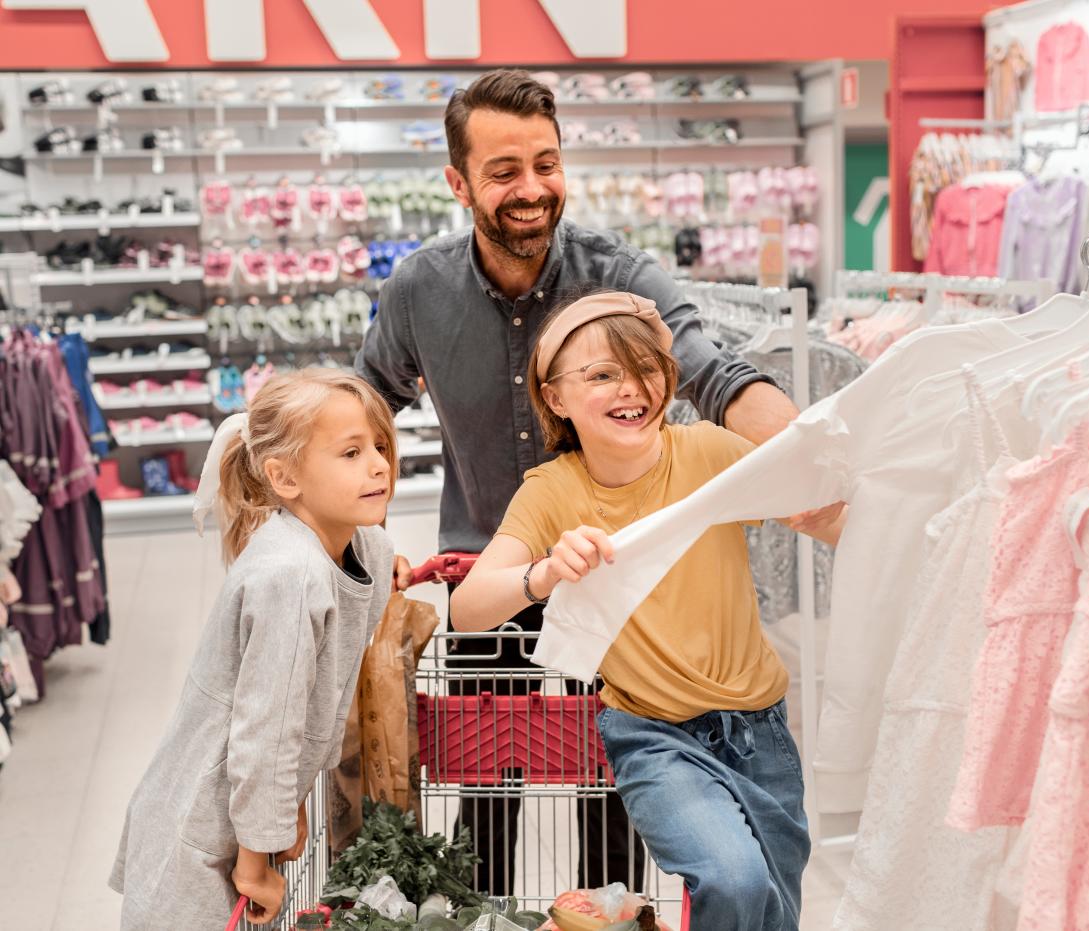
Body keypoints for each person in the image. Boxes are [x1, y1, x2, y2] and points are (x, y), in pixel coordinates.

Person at [357, 67, 840, 896]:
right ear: (457, 181)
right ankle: (486, 912)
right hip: (493, 566)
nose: (532, 188)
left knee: (612, 793)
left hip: (618, 572)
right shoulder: (418, 291)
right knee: (486, 790)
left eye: (546, 163)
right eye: (504, 170)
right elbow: (366, 407)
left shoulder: (616, 276)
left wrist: (818, 458)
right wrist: (357, 542)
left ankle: (610, 915)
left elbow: (710, 374)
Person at [451, 291, 832, 931]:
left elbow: (824, 513)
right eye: (602, 375)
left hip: (760, 728)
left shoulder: (708, 453)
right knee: (733, 879)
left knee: (775, 904)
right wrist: (542, 572)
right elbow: (468, 609)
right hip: (654, 736)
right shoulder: (553, 492)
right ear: (554, 398)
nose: (632, 388)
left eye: (646, 368)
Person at [109, 370, 397, 929]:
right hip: (203, 821)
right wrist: (254, 857)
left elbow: (312, 704)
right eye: (352, 452)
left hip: (240, 808)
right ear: (283, 477)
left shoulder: (367, 547)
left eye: (380, 446)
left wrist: (286, 807)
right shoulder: (291, 575)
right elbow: (267, 728)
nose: (380, 464)